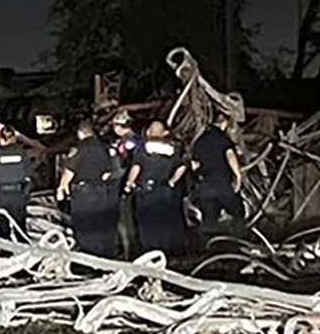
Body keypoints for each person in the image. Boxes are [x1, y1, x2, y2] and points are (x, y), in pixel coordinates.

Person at [59, 110, 127, 259]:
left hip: (84, 193)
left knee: (85, 226)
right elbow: (112, 171)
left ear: (81, 133)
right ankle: (106, 256)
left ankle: (88, 258)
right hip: (102, 191)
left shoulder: (80, 148)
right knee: (102, 224)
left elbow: (68, 172)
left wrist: (61, 189)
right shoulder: (105, 147)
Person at [125, 111, 191, 259]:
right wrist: (172, 181)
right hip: (166, 190)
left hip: (147, 191)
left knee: (148, 223)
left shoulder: (144, 148)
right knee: (167, 220)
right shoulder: (173, 148)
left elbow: (137, 167)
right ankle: (169, 252)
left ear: (149, 131)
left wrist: (129, 183)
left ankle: (152, 252)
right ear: (164, 133)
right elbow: (182, 166)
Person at [184, 112, 245, 241]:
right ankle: (238, 242)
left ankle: (209, 245)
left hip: (205, 186)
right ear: (224, 123)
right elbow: (230, 155)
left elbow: (194, 165)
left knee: (210, 218)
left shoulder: (199, 141)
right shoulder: (223, 139)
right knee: (238, 212)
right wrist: (238, 175)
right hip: (222, 184)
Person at [0, 116, 36, 238]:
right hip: (17, 195)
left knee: (3, 232)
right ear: (14, 138)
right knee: (20, 230)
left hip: (1, 196)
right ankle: (23, 247)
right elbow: (29, 174)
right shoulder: (22, 154)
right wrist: (26, 194)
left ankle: (5, 247)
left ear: (1, 139)